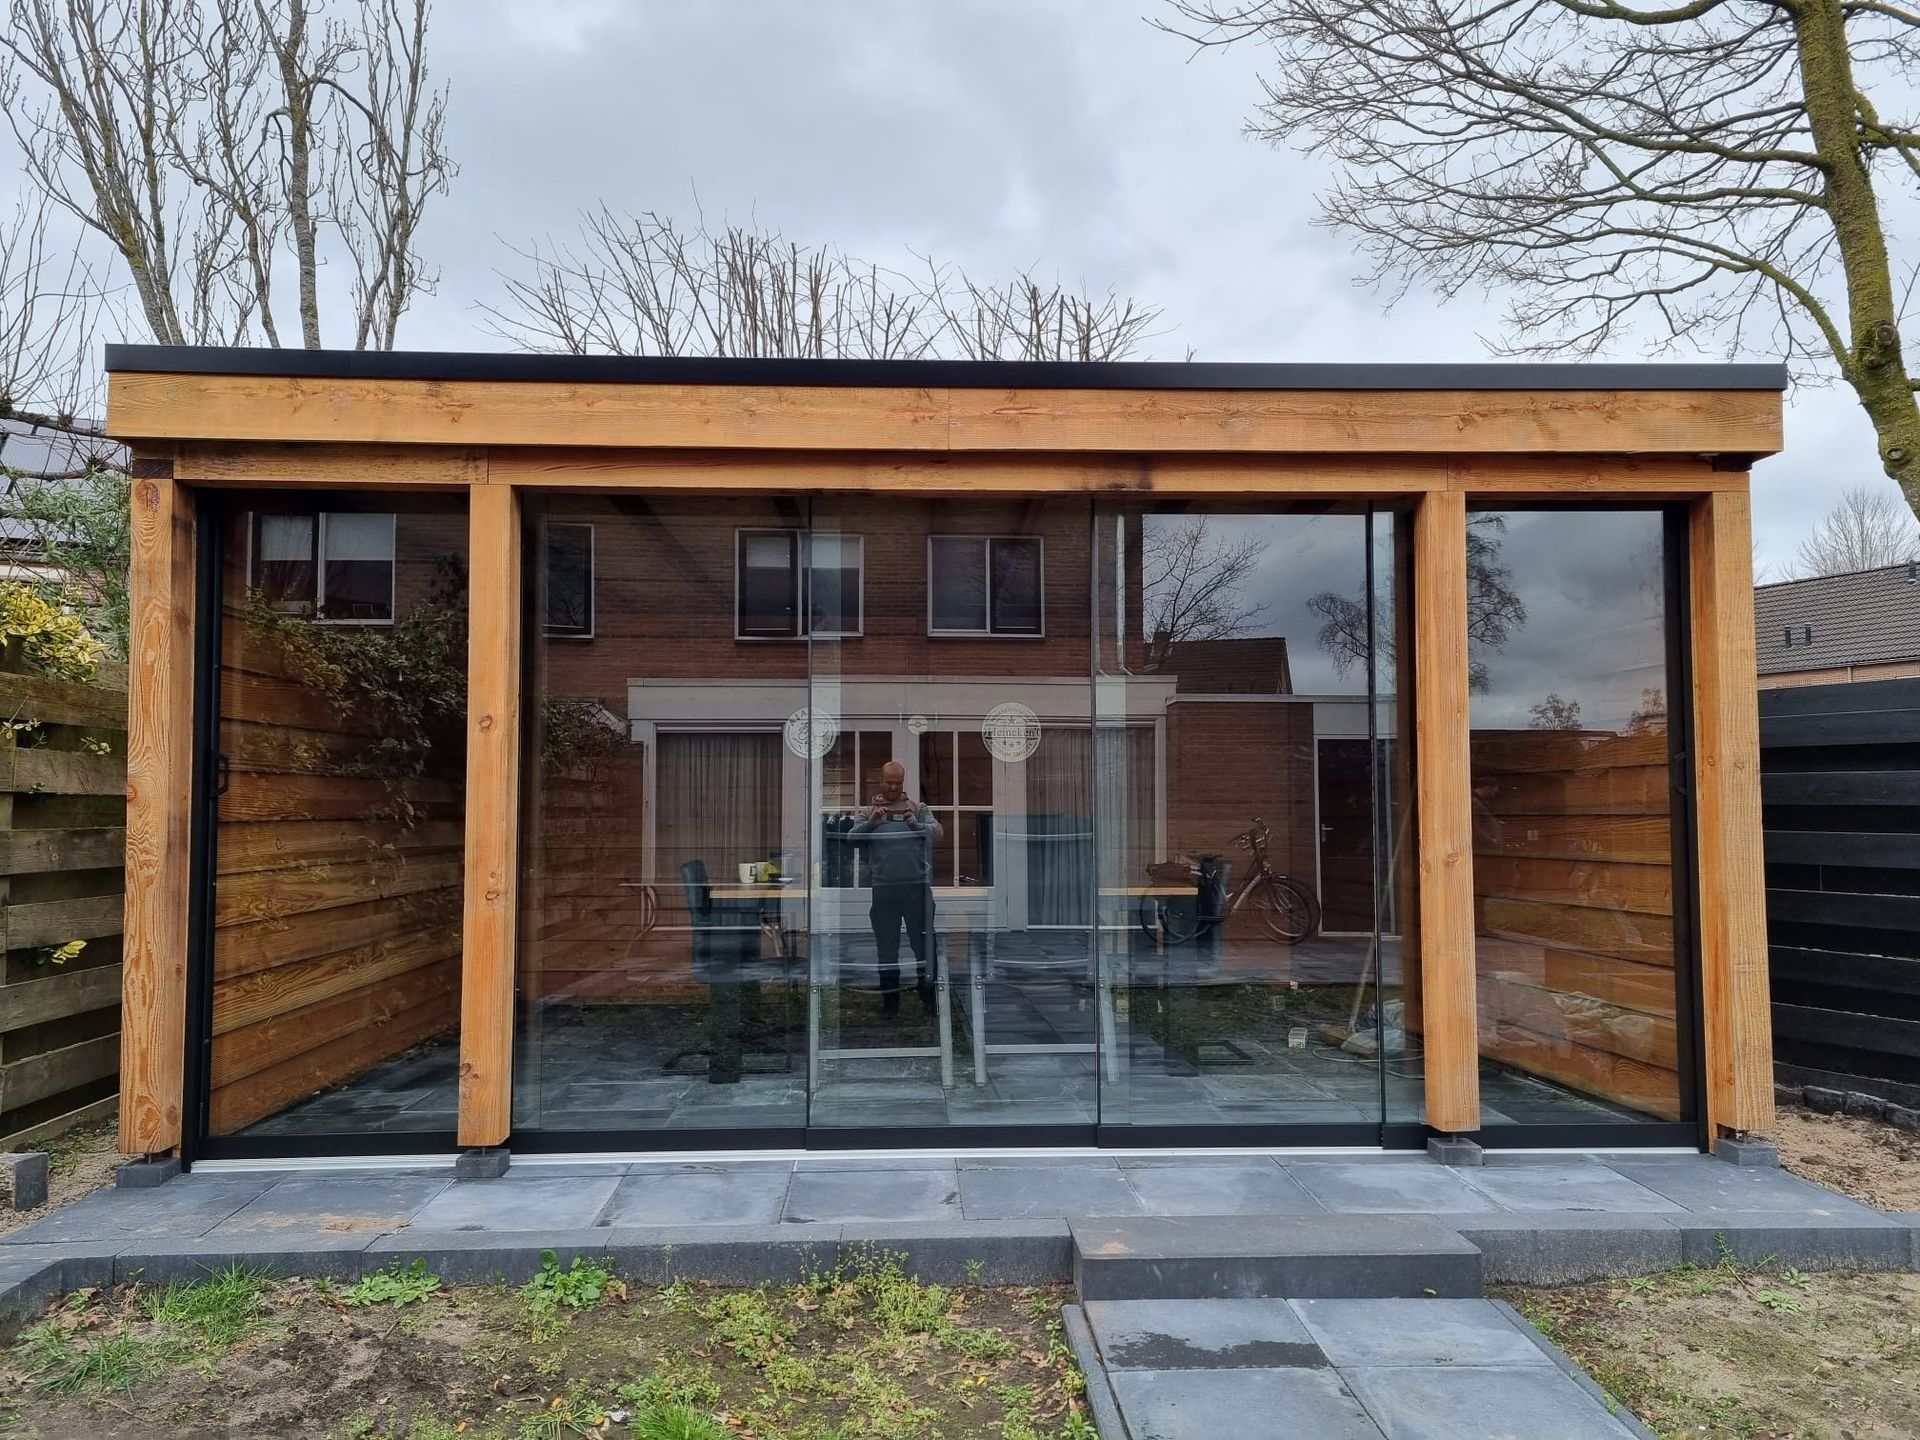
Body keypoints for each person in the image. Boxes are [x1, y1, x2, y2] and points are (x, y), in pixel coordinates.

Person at [849, 760, 943, 1016]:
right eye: (888, 782)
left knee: (924, 947)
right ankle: (890, 1006)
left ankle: (930, 1004)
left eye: (897, 782)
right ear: (880, 781)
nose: (892, 786)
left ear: (903, 783)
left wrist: (916, 825)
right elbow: (851, 839)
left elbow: (938, 833)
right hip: (884, 890)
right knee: (887, 949)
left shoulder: (918, 808)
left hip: (917, 889)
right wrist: (873, 823)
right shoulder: (869, 811)